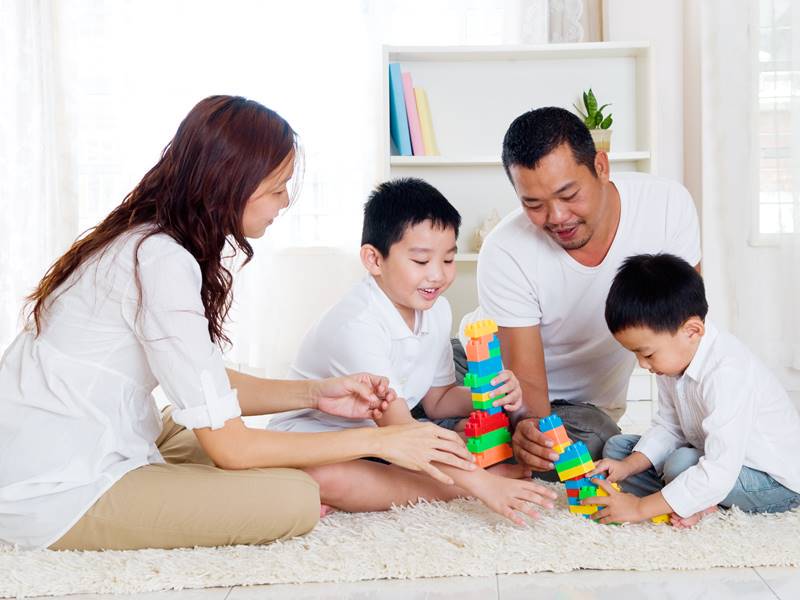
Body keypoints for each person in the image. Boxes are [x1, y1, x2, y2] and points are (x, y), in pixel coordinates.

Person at [0, 96, 474, 552]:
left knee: (265, 453)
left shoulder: (152, 241)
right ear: (230, 183)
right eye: (277, 188)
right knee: (293, 497)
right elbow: (232, 449)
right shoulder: (160, 259)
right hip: (59, 485)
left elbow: (206, 381)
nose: (284, 202)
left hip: (98, 435)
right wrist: (382, 439)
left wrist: (315, 393)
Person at [269, 178, 557, 523]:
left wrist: (492, 393)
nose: (437, 275)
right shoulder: (357, 325)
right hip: (319, 441)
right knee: (325, 477)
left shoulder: (436, 310)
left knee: (459, 435)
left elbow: (438, 400)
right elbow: (403, 432)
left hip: (380, 440)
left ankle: (427, 480)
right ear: (374, 260)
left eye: (448, 259)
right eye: (421, 261)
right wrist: (482, 485)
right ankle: (454, 489)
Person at [452, 106, 701, 478]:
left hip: (582, 410)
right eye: (533, 204)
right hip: (491, 378)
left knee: (596, 441)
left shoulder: (665, 206)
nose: (556, 217)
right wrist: (528, 427)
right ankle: (449, 437)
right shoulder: (505, 249)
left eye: (569, 194)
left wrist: (700, 434)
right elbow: (528, 389)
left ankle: (456, 444)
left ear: (601, 166)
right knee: (410, 387)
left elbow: (685, 333)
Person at [583, 253, 800, 526]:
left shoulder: (727, 373)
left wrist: (639, 508)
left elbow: (721, 468)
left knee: (681, 464)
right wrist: (627, 466)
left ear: (692, 330)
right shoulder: (673, 360)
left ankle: (694, 499)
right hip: (706, 453)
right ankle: (690, 498)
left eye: (647, 354)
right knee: (617, 450)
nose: (642, 364)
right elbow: (670, 426)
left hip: (772, 481)